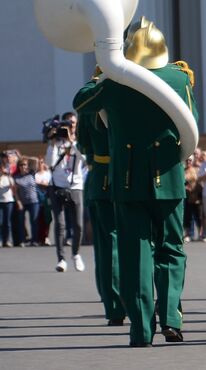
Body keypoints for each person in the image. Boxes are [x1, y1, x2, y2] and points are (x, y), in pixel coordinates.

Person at [73, 18, 196, 346]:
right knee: (171, 248)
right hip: (168, 176)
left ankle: (141, 328)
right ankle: (171, 316)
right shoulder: (179, 77)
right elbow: (190, 123)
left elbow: (81, 102)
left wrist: (104, 70)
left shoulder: (115, 81)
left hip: (127, 180)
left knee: (134, 253)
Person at [76, 67, 126, 326]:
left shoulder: (90, 104)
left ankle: (114, 306)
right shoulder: (126, 93)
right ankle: (140, 301)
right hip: (129, 177)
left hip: (100, 178)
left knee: (106, 248)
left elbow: (83, 144)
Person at [46, 113, 88, 272]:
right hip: (57, 186)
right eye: (68, 123)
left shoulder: (80, 141)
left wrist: (72, 141)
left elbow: (85, 161)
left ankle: (76, 254)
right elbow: (49, 163)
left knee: (78, 224)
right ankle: (61, 259)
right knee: (60, 224)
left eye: (73, 123)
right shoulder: (56, 144)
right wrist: (52, 142)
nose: (70, 126)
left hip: (76, 186)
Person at [12, 158, 39, 246]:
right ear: (19, 167)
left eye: (24, 164)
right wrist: (18, 202)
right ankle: (22, 240)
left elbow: (36, 160)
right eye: (21, 165)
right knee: (21, 222)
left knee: (34, 221)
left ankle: (34, 240)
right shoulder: (16, 177)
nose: (23, 166)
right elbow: (15, 192)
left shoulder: (32, 174)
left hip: (34, 202)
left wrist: (23, 156)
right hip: (22, 202)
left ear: (27, 166)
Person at [0, 163, 13, 248]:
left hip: (9, 201)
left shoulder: (8, 178)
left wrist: (8, 175)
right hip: (0, 202)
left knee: (7, 222)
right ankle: (0, 240)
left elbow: (12, 185)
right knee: (0, 222)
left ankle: (8, 240)